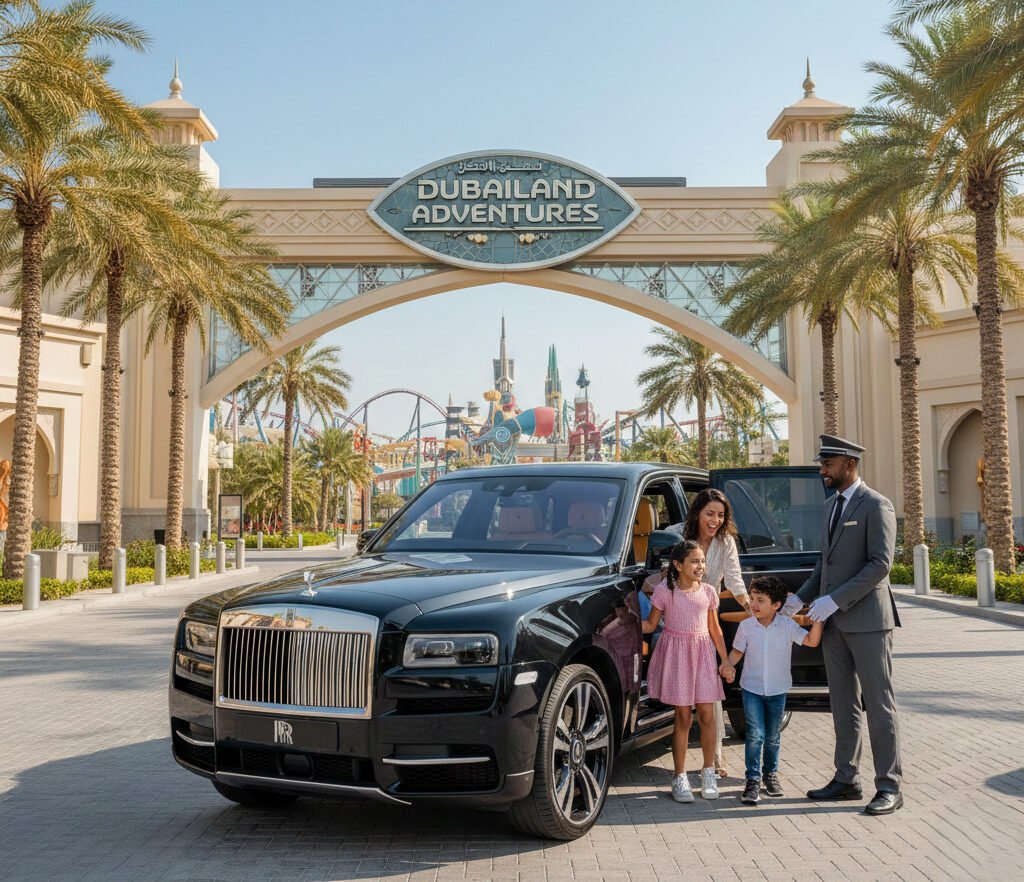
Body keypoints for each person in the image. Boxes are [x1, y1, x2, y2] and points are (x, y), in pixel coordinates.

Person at [781, 433, 903, 816]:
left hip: (867, 622)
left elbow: (880, 564)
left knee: (878, 705)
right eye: (822, 463)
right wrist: (800, 596)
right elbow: (826, 563)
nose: (822, 470)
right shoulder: (830, 506)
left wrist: (834, 600)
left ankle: (889, 786)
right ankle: (846, 778)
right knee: (843, 703)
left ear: (849, 464)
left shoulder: (876, 505)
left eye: (827, 464)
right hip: (833, 627)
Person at [642, 540, 734, 803]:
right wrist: (626, 625)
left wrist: (725, 660)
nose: (700, 566)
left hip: (703, 654)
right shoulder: (665, 591)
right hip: (677, 655)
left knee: (707, 715)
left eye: (703, 561)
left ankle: (708, 773)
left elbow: (715, 629)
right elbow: (650, 625)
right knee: (682, 717)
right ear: (678, 565)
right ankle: (679, 776)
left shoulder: (707, 591)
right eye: (694, 561)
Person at [721, 575, 823, 805]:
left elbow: (811, 642)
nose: (754, 604)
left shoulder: (787, 625)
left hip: (777, 690)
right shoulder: (746, 627)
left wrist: (819, 620)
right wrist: (728, 665)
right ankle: (753, 779)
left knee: (773, 736)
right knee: (755, 735)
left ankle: (770, 775)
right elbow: (737, 652)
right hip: (752, 689)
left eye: (761, 600)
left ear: (777, 605)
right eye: (752, 598)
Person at [673, 488, 750, 777]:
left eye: (721, 515)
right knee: (682, 691)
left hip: (708, 619)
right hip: (677, 617)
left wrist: (750, 608)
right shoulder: (677, 535)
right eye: (710, 514)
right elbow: (660, 574)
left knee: (710, 689)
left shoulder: (725, 541)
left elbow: (735, 580)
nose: (715, 520)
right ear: (697, 513)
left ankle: (716, 758)